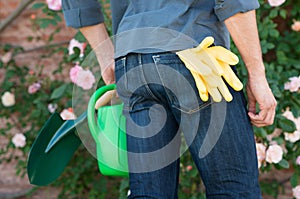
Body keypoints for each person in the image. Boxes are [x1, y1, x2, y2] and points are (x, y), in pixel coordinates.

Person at [62, 0, 277, 198]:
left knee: (149, 194)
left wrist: (106, 55)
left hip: (133, 61)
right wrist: (257, 74)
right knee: (233, 189)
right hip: (196, 56)